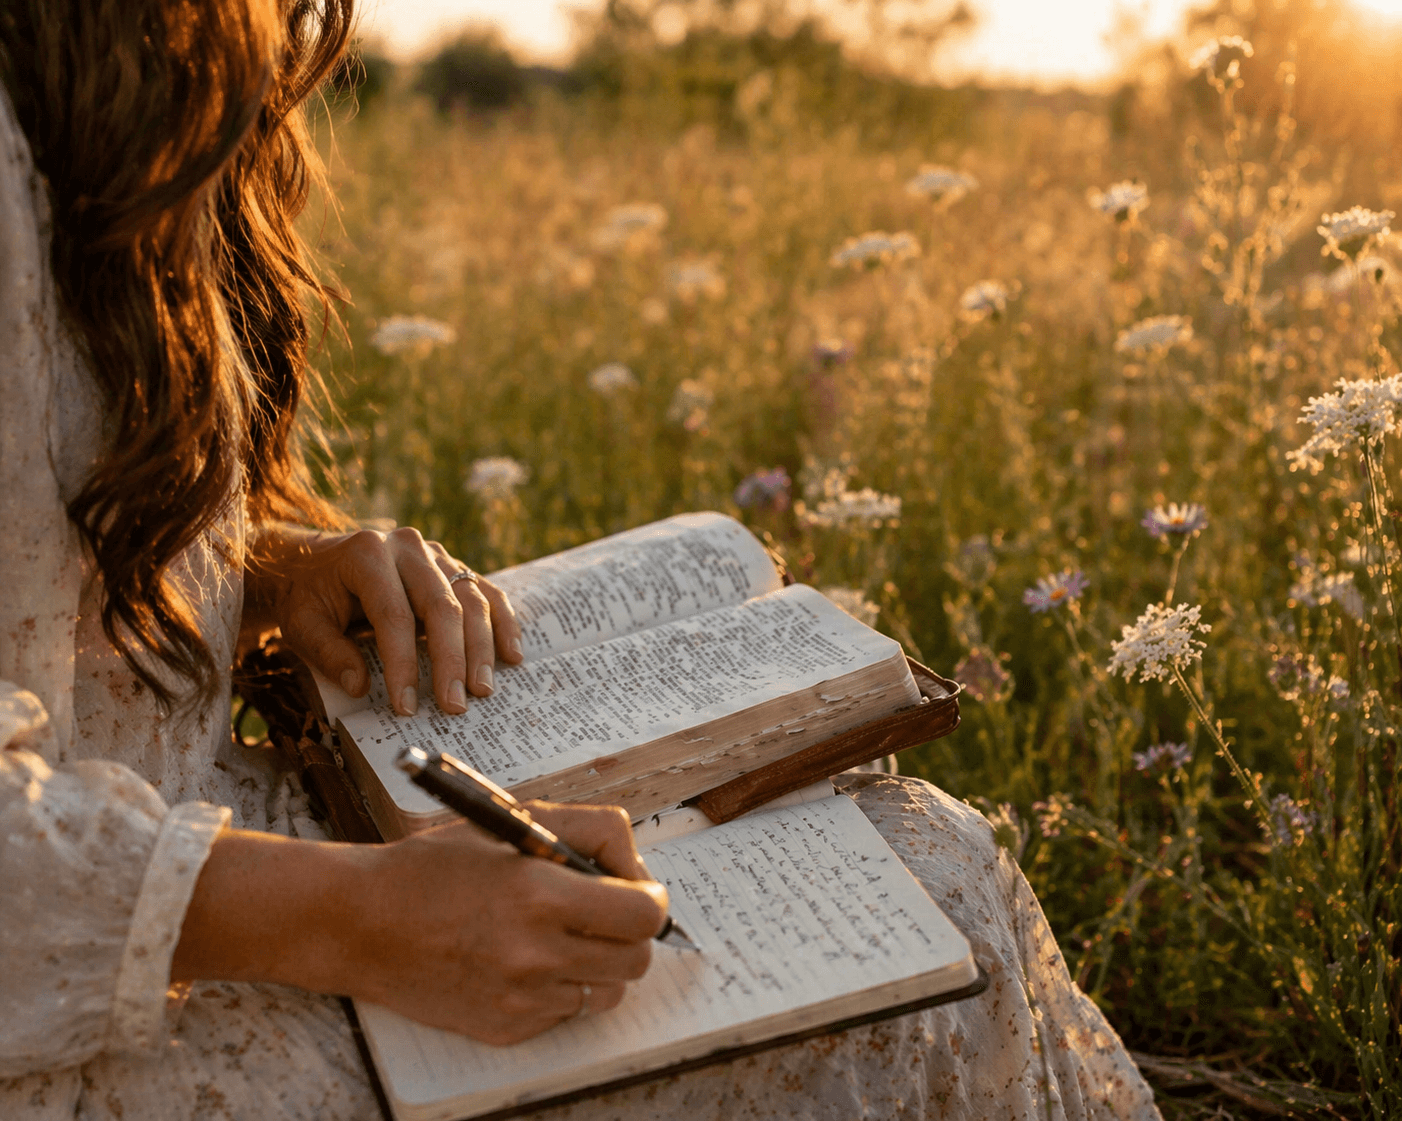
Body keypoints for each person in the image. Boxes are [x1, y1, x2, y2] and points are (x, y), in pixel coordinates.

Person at [0, 2, 1163, 1118]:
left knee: (926, 846)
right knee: (920, 939)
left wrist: (256, 569)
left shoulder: (151, 78)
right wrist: (359, 914)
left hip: (183, 849)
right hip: (86, 1009)